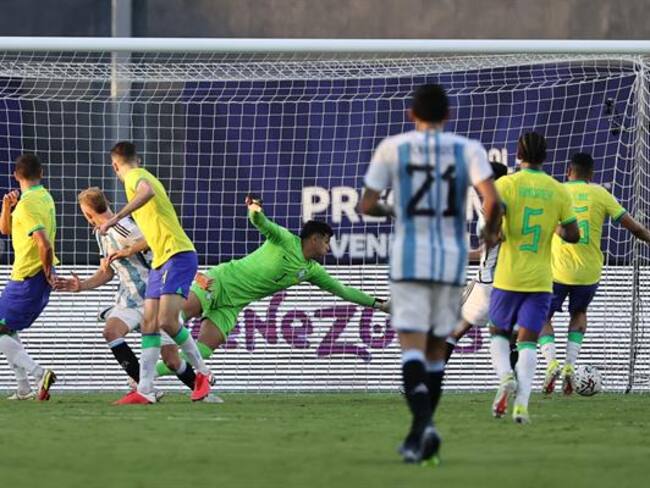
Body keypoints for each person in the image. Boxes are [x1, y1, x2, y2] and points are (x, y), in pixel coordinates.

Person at [359, 83, 501, 464]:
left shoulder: (393, 147)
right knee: (437, 352)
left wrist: (395, 209)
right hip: (450, 261)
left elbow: (367, 204)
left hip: (409, 260)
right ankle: (418, 435)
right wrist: (489, 234)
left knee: (411, 351)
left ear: (411, 114)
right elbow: (493, 199)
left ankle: (426, 428)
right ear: (448, 115)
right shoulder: (467, 149)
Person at [154, 194, 391, 383]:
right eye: (327, 241)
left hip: (233, 304)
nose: (329, 248)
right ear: (315, 239)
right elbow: (260, 222)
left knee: (203, 350)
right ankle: (145, 352)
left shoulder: (312, 270)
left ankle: (147, 375)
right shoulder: (285, 239)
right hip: (218, 282)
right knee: (173, 319)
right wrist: (254, 207)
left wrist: (378, 304)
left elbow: (343, 290)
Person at [55, 187, 198, 396]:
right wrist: (81, 286)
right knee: (111, 332)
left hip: (154, 298)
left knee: (172, 361)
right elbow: (107, 272)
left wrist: (130, 249)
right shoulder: (100, 234)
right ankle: (145, 388)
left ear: (87, 212)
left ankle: (201, 390)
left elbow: (155, 238)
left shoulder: (124, 227)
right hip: (129, 301)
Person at [100, 141, 212, 404]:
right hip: (161, 259)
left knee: (167, 322)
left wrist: (116, 218)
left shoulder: (135, 177)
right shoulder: (142, 172)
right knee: (150, 324)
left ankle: (204, 374)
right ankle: (145, 390)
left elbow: (146, 192)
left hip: (177, 254)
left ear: (116, 165)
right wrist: (129, 250)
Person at [540, 152, 650, 394]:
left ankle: (551, 363)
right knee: (579, 313)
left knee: (541, 318)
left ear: (569, 171)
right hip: (588, 273)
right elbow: (635, 228)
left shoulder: (557, 190)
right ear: (591, 174)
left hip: (556, 271)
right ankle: (569, 366)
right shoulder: (600, 193)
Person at [488, 132, 580, 424]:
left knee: (498, 333)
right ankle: (522, 407)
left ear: (518, 154)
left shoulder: (505, 184)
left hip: (507, 277)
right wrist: (558, 229)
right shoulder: (558, 190)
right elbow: (574, 235)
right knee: (528, 341)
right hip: (541, 280)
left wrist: (497, 231)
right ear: (546, 156)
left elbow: (493, 222)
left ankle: (505, 376)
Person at [0, 153, 57, 401]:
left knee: (2, 329)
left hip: (29, 277)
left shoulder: (27, 205)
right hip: (26, 276)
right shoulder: (43, 198)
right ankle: (23, 387)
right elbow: (5, 230)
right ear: (41, 173)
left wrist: (46, 270)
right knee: (7, 328)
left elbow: (43, 243)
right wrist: (6, 207)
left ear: (15, 175)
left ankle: (39, 372)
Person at [445, 162, 512, 364]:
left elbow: (497, 238)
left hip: (488, 283)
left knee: (453, 331)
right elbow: (488, 249)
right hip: (509, 280)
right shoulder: (506, 206)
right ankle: (516, 383)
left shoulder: (493, 207)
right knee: (509, 337)